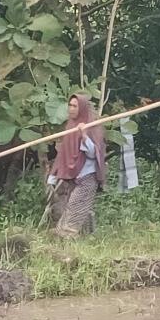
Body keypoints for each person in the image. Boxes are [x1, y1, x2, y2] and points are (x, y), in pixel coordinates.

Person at [46, 94, 107, 238]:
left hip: (88, 176)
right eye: (70, 105)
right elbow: (63, 154)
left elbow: (94, 154)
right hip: (74, 177)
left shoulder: (92, 127)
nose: (71, 109)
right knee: (71, 208)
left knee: (75, 208)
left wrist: (84, 135)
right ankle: (87, 237)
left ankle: (68, 237)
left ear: (82, 108)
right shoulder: (70, 126)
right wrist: (53, 175)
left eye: (75, 106)